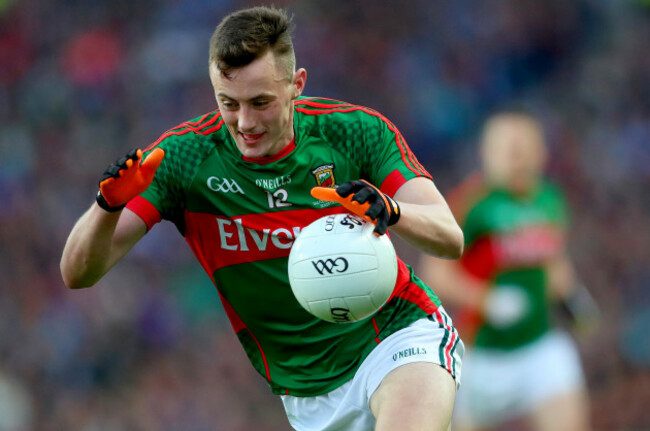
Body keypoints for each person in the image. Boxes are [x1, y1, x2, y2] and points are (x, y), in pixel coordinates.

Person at [60, 6, 465, 431]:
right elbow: (78, 273)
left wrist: (392, 210)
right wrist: (106, 207)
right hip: (305, 394)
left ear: (296, 85)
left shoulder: (355, 132)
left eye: (260, 103)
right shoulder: (182, 159)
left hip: (399, 339)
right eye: (228, 104)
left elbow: (449, 236)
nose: (245, 122)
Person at [419, 109, 595, 431]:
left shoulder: (549, 200)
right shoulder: (471, 204)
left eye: (523, 148)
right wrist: (487, 300)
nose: (516, 159)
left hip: (540, 346)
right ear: (487, 154)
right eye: (507, 150)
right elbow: (435, 272)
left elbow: (552, 259)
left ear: (541, 152)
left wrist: (573, 301)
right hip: (483, 354)